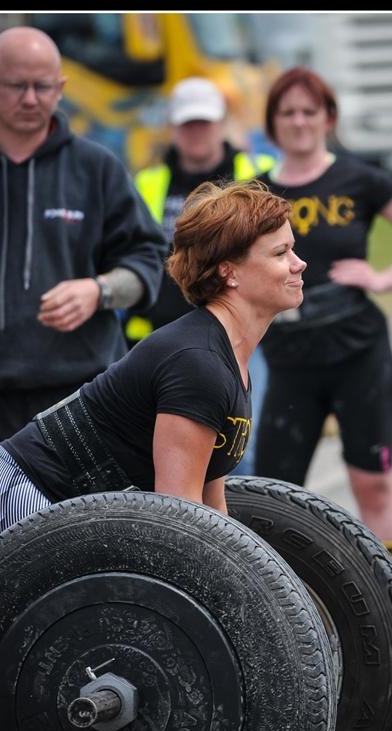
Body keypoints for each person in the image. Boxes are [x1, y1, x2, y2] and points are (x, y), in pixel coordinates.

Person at [0, 180, 304, 563]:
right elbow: (179, 517)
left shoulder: (227, 357)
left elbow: (211, 509)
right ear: (229, 273)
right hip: (22, 495)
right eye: (280, 252)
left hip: (68, 506)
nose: (298, 263)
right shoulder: (197, 363)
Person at [255, 67, 392, 567]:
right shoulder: (254, 194)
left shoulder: (359, 179)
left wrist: (384, 278)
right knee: (272, 496)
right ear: (273, 123)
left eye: (309, 111)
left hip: (358, 353)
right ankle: (281, 619)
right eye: (288, 112)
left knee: (374, 484)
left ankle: (391, 611)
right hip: (288, 362)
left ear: (329, 118)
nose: (299, 122)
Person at [0, 26, 166, 496]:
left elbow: (148, 256)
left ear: (61, 87)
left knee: (85, 546)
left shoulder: (97, 167)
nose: (31, 98)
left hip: (78, 401)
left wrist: (100, 290)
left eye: (43, 86)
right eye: (16, 85)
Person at [128, 77, 275, 475]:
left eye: (204, 123)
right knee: (171, 453)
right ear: (173, 127)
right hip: (166, 336)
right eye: (188, 124)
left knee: (236, 451)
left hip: (237, 336)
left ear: (220, 123)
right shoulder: (147, 184)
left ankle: (237, 536)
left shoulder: (256, 176)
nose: (196, 133)